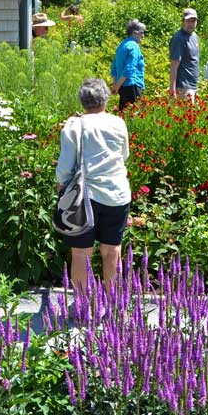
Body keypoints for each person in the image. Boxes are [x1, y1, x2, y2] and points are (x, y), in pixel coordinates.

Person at [55, 78, 131, 291]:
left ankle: (82, 306)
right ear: (105, 99)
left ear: (82, 101)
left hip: (83, 197)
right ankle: (114, 304)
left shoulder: (73, 125)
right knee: (112, 250)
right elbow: (124, 155)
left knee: (81, 253)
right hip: (117, 193)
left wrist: (60, 186)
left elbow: (65, 167)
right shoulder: (118, 123)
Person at [110, 19, 146, 111]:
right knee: (134, 118)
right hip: (132, 86)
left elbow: (114, 67)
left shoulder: (122, 45)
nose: (143, 35)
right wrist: (117, 86)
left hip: (122, 87)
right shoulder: (134, 46)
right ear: (134, 33)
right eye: (142, 33)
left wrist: (116, 85)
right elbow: (130, 69)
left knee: (124, 116)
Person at [169, 8, 199, 103]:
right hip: (183, 87)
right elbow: (174, 65)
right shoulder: (179, 38)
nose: (191, 24)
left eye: (193, 21)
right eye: (188, 21)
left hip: (193, 85)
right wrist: (172, 90)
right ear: (183, 22)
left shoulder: (194, 36)